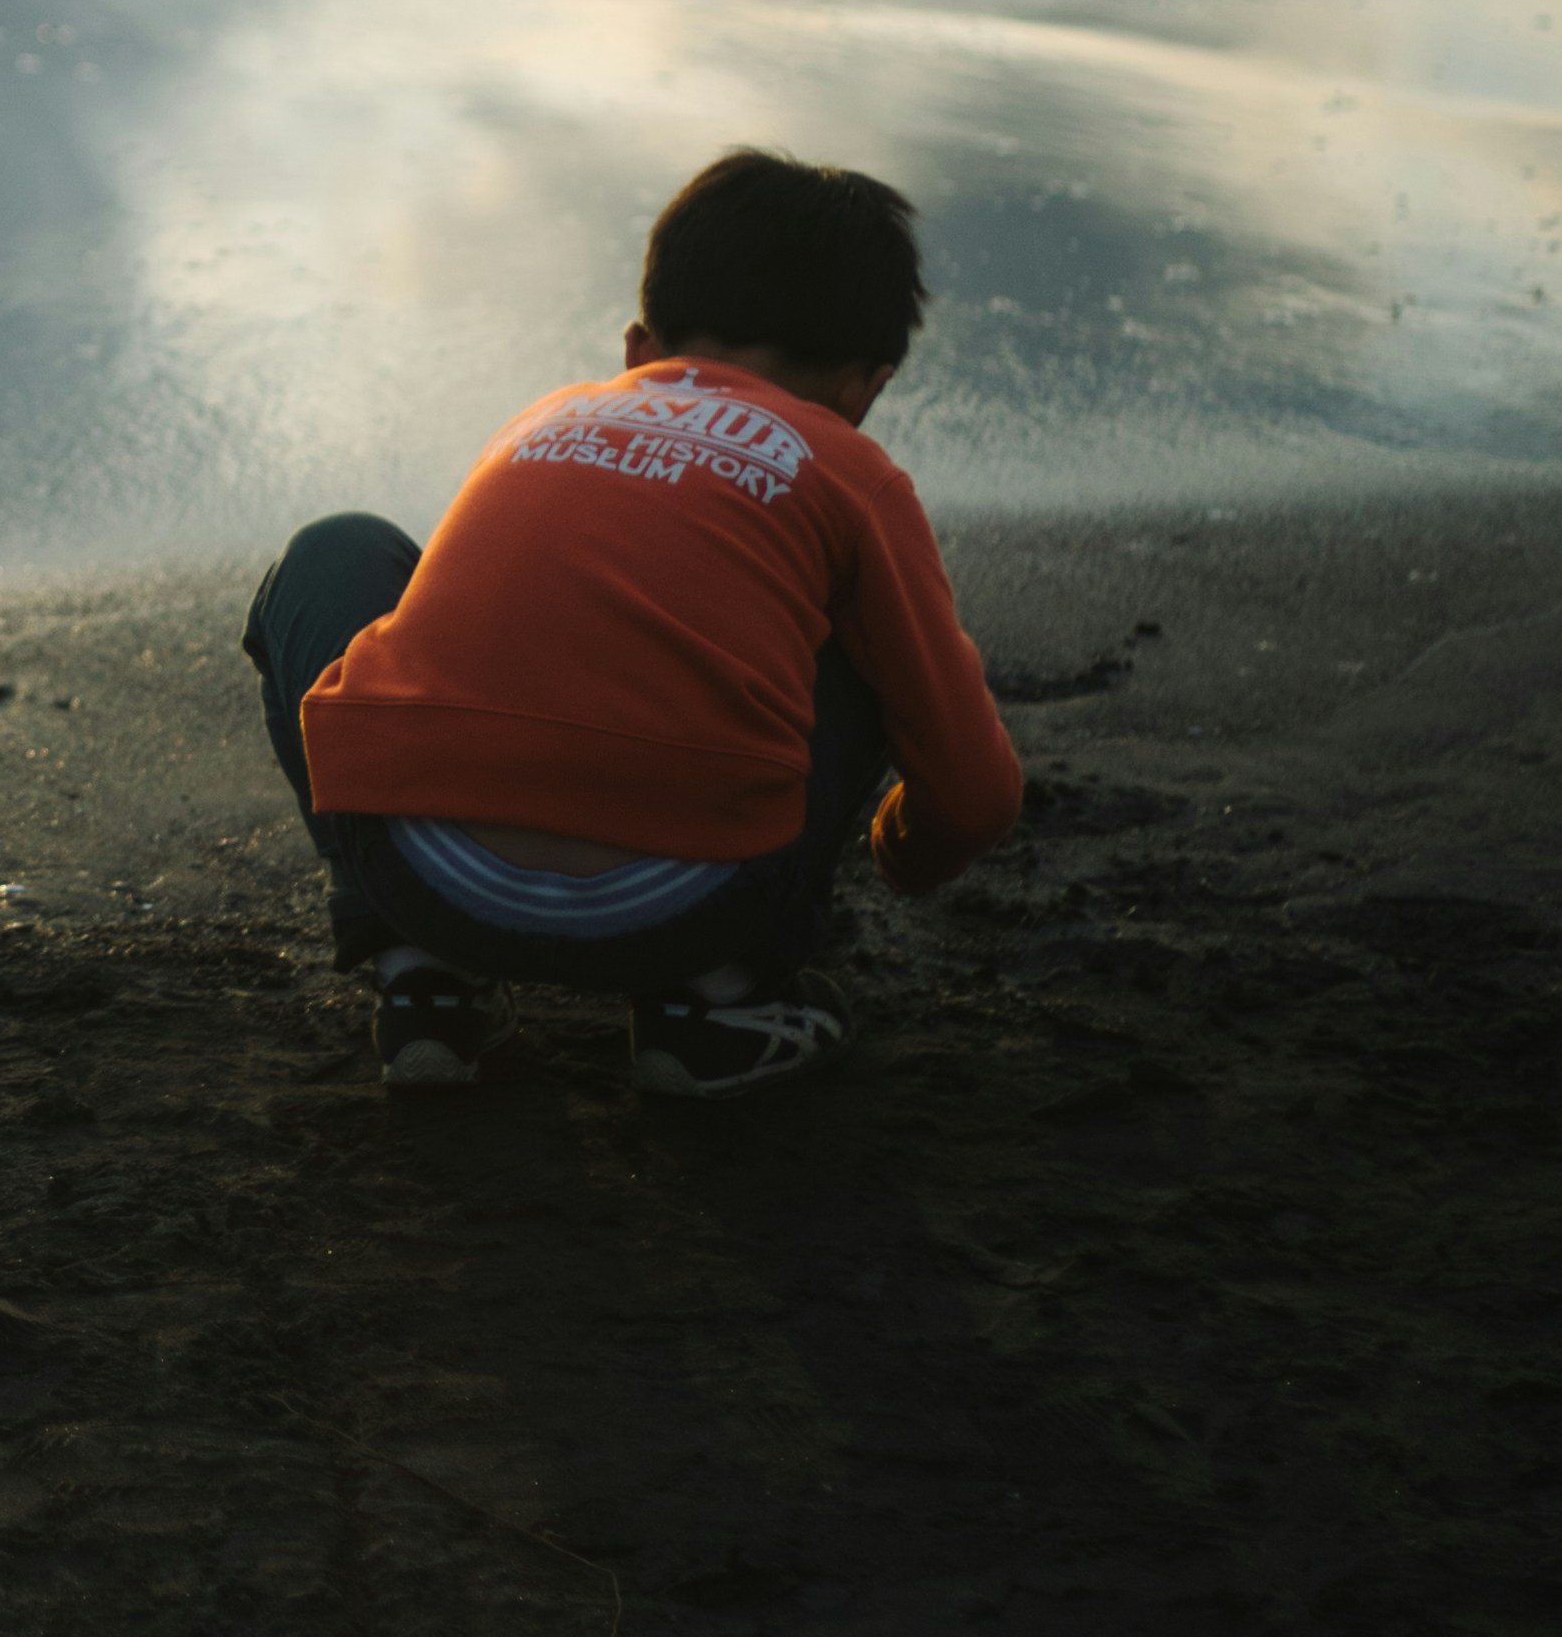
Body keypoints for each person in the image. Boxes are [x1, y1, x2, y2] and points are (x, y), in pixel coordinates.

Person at [243, 148, 1022, 1097]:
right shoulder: (848, 471)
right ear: (867, 386)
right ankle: (717, 1002)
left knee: (337, 549)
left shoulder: (544, 420)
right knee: (859, 632)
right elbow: (976, 794)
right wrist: (896, 854)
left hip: (425, 877)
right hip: (683, 906)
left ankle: (418, 975)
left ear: (638, 350)